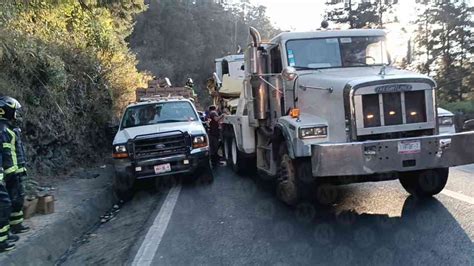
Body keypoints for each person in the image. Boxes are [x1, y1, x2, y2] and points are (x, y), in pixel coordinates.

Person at [0, 96, 30, 252]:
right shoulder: (3, 130)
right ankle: (2, 239)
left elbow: (15, 152)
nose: (16, 114)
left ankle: (11, 230)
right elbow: (6, 153)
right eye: (15, 111)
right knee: (4, 204)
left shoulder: (9, 129)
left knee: (14, 199)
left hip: (12, 172)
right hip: (9, 173)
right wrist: (10, 171)